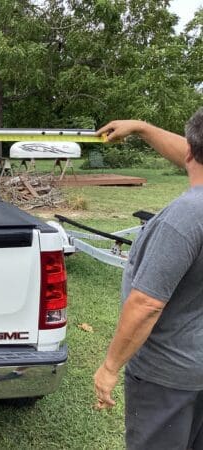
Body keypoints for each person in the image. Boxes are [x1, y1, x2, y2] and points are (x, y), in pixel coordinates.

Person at [93, 111, 203, 450]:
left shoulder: (185, 218)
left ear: (190, 152)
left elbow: (147, 303)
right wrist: (143, 128)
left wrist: (110, 367)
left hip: (168, 377)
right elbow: (193, 154)